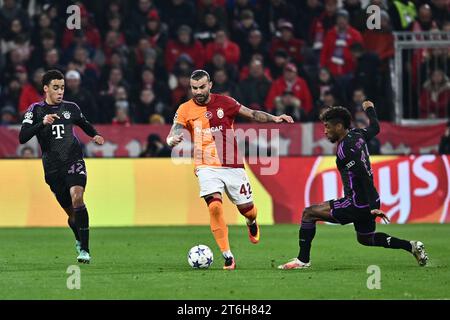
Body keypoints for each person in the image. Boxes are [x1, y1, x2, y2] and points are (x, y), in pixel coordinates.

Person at [166, 69, 293, 270]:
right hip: (205, 166)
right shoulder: (184, 109)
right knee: (214, 206)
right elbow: (174, 131)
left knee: (247, 210)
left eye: (201, 87)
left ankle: (251, 222)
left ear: (210, 85)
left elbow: (252, 114)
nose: (197, 92)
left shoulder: (225, 102)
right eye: (193, 88)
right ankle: (228, 256)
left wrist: (274, 118)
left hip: (232, 164)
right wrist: (171, 140)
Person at [278, 101, 428, 270]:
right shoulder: (357, 134)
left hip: (356, 203)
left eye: (327, 127)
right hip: (367, 202)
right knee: (366, 238)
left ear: (339, 126)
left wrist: (373, 206)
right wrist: (370, 108)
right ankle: (412, 246)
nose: (325, 131)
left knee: (308, 214)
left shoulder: (346, 150)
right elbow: (375, 128)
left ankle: (302, 260)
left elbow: (363, 175)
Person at [18, 70, 104, 264]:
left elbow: (84, 123)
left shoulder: (71, 107)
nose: (60, 91)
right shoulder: (35, 110)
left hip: (74, 160)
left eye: (63, 87)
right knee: (72, 215)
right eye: (56, 88)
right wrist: (42, 123)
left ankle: (85, 250)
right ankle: (78, 237)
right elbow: (23, 137)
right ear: (46, 88)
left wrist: (95, 135)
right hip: (52, 169)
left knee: (78, 196)